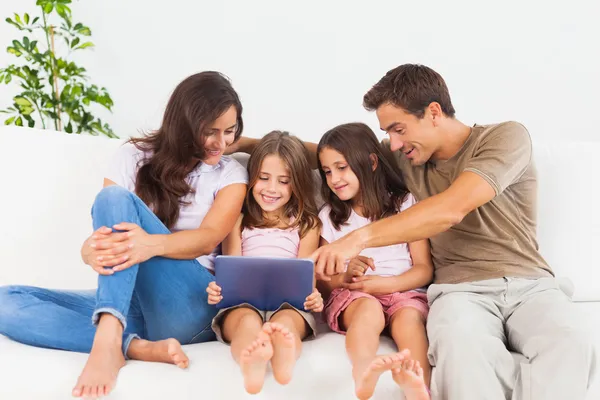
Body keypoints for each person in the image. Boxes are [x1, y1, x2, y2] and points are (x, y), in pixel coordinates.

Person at [308, 64, 597, 399]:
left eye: (398, 129)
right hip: (459, 292)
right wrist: (245, 141)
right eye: (389, 134)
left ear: (433, 112)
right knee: (461, 349)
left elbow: (452, 208)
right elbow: (339, 155)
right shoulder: (407, 156)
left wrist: (355, 240)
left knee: (572, 343)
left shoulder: (505, 138)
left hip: (530, 285)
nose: (395, 144)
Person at [0, 71, 249, 398]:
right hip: (131, 301)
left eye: (230, 131)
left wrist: (151, 245)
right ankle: (130, 344)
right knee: (6, 301)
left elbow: (207, 237)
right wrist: (88, 251)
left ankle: (107, 336)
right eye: (210, 132)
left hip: (192, 302)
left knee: (114, 198)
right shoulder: (133, 156)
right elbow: (107, 231)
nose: (222, 143)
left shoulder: (230, 172)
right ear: (184, 127)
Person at [316, 122, 433, 400]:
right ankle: (363, 370)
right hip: (356, 294)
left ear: (371, 162)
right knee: (368, 312)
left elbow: (424, 269)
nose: (334, 179)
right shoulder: (330, 215)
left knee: (409, 321)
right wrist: (344, 277)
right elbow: (322, 280)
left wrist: (388, 284)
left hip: (402, 290)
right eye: (327, 171)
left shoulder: (405, 204)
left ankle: (419, 388)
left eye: (342, 167)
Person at [206, 130, 324, 394]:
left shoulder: (308, 224)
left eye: (284, 181)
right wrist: (217, 290)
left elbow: (307, 277)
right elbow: (230, 270)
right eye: (263, 178)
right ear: (251, 178)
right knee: (246, 323)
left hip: (290, 306)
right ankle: (252, 361)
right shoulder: (238, 220)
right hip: (241, 304)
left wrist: (314, 297)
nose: (272, 189)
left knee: (286, 325)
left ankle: (284, 359)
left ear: (298, 184)